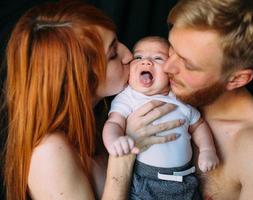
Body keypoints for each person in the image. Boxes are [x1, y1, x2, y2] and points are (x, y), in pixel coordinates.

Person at [2, 1, 182, 200]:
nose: (129, 55)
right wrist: (125, 154)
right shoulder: (49, 153)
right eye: (113, 54)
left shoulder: (104, 116)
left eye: (117, 41)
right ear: (78, 80)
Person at [162, 0, 253, 199]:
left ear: (236, 79)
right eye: (171, 47)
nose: (167, 67)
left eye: (188, 65)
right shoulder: (155, 80)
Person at [103, 36, 219, 199]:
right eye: (138, 57)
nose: (146, 62)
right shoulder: (128, 97)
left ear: (171, 69)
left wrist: (207, 150)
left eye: (158, 58)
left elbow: (199, 125)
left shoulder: (180, 97)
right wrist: (114, 140)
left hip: (185, 179)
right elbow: (114, 122)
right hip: (146, 181)